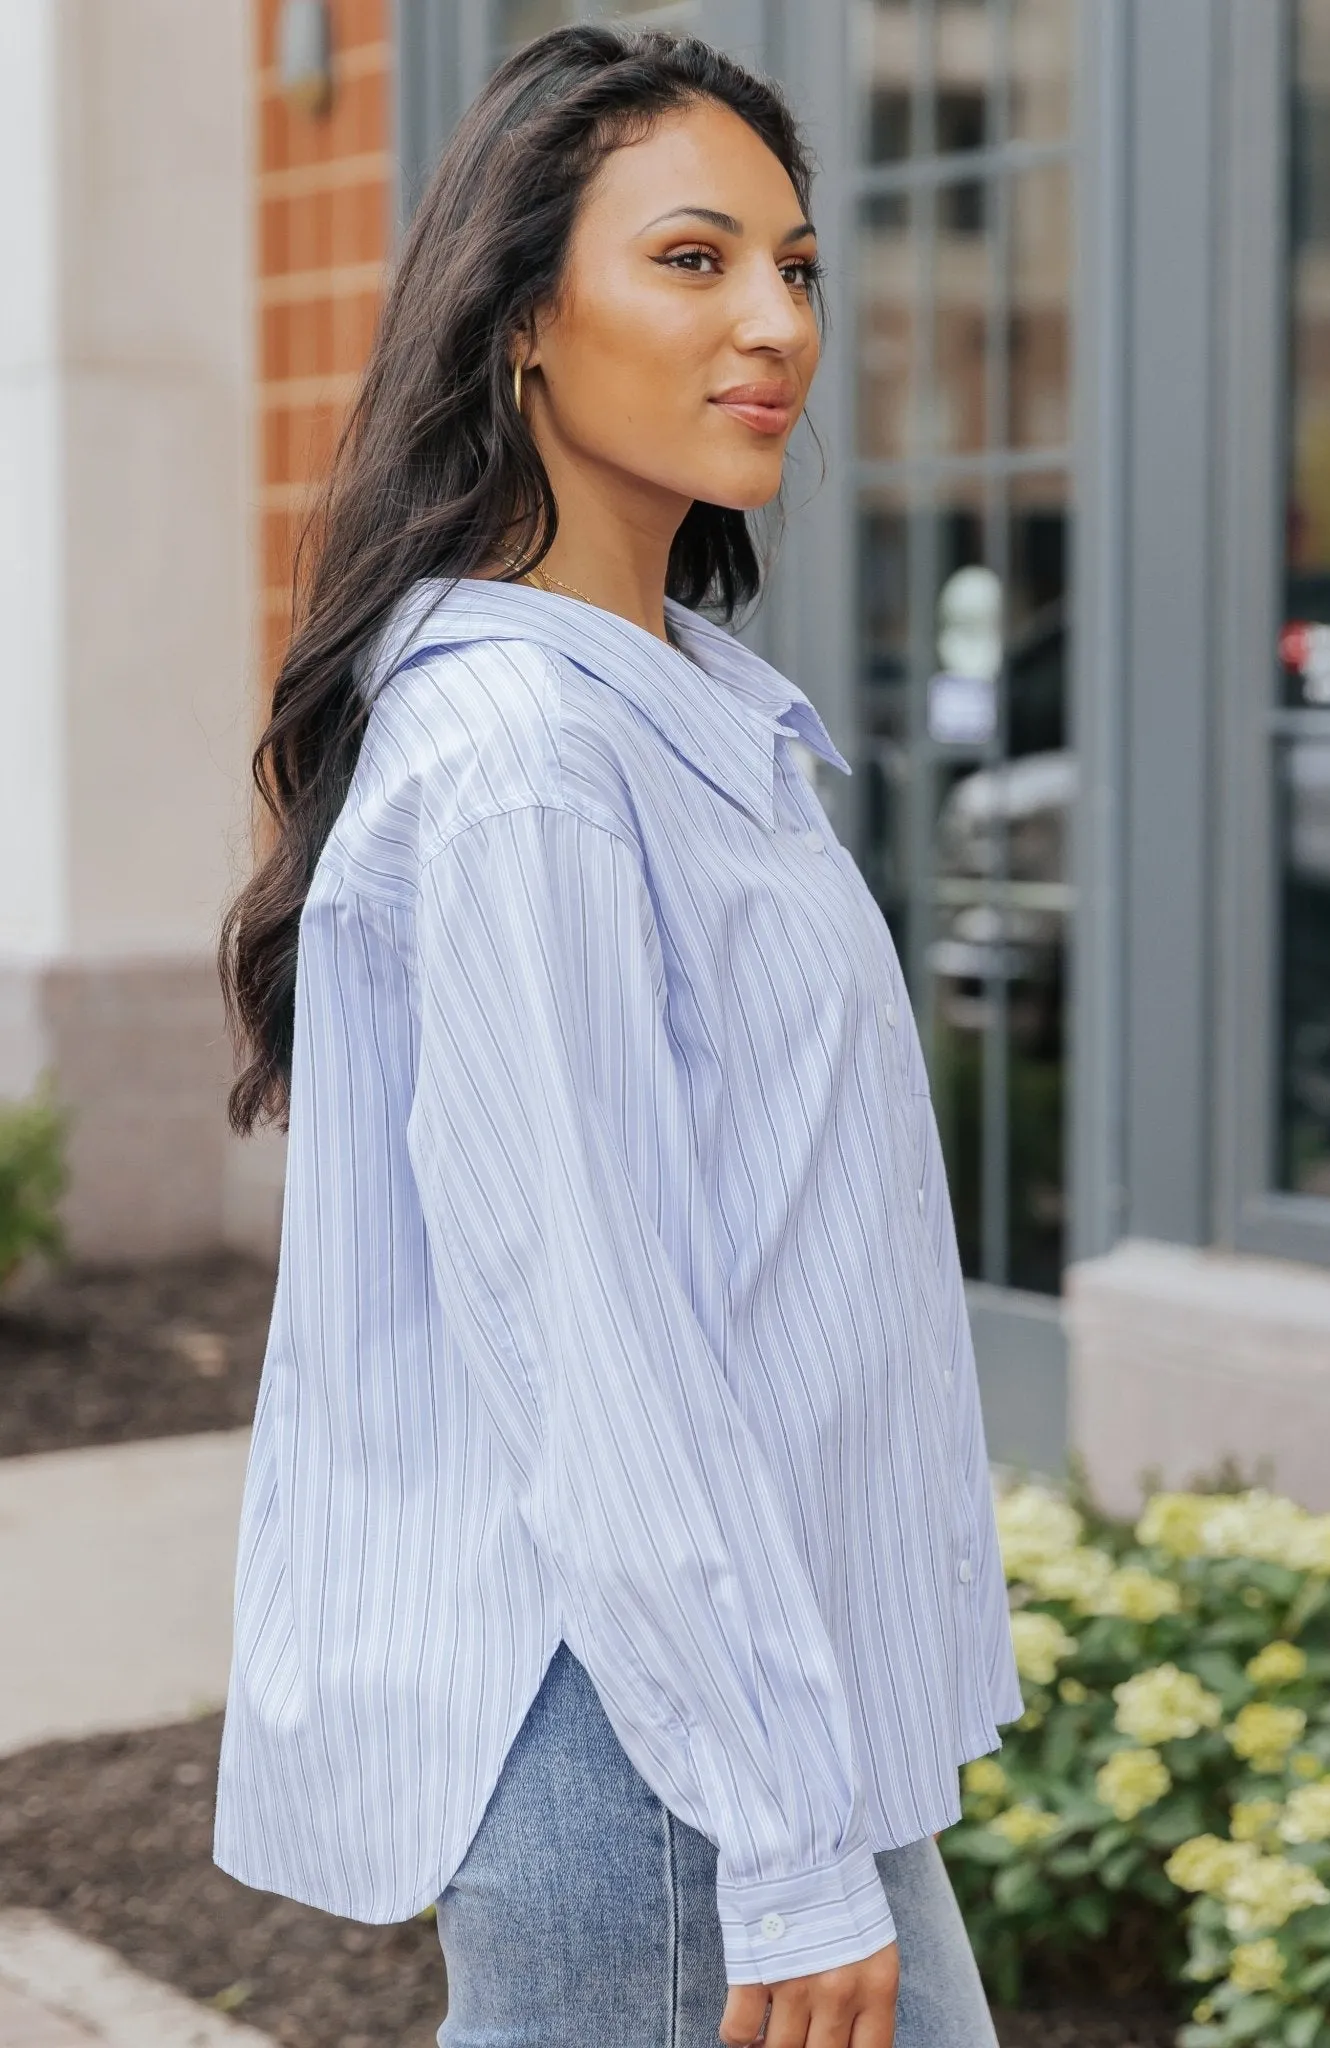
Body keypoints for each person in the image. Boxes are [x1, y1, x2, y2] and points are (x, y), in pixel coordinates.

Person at [213, 24, 1021, 2048]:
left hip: (742, 1725)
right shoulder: (528, 764)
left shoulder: (673, 713)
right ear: (520, 330)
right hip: (653, 1772)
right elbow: (597, 1337)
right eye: (690, 260)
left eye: (800, 265)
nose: (776, 323)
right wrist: (777, 1839)